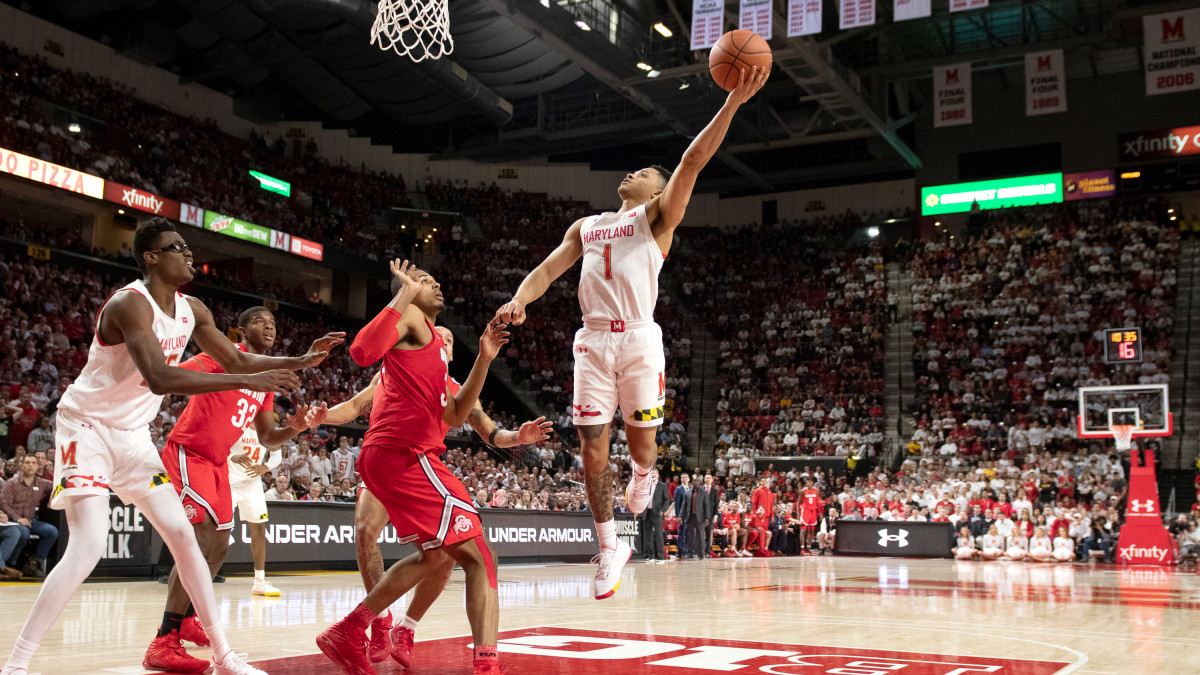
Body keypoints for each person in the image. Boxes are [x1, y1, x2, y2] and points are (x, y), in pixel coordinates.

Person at [495, 66, 770, 598]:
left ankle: (645, 475)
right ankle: (608, 546)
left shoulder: (659, 218)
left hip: (640, 341)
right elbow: (549, 270)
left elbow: (692, 160)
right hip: (592, 342)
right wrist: (519, 300)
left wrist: (733, 101)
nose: (632, 173)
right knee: (591, 452)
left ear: (660, 189)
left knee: (643, 449)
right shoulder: (588, 225)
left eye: (644, 170)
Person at [3, 217, 310, 675]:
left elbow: (238, 358)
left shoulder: (194, 309)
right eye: (176, 247)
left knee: (186, 538)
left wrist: (302, 359)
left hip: (133, 436)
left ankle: (224, 656)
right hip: (86, 428)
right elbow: (160, 377)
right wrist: (251, 377)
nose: (188, 254)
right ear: (151, 256)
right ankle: (16, 665)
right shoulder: (131, 303)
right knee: (87, 547)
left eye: (188, 247)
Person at [316, 260, 508, 675]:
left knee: (439, 556)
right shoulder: (410, 318)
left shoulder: (437, 354)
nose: (436, 285)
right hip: (404, 454)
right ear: (405, 290)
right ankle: (486, 666)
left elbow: (458, 416)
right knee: (481, 557)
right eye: (424, 281)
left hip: (399, 456)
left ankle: (352, 629)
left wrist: (486, 358)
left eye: (436, 280)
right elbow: (362, 352)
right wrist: (403, 293)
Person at [318, 324, 551, 666]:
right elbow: (354, 407)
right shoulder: (393, 371)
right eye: (435, 333)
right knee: (368, 531)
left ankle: (402, 626)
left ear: (451, 353)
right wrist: (324, 417)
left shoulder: (457, 389)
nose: (440, 338)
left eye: (449, 339)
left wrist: (518, 437)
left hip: (417, 466)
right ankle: (379, 623)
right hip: (395, 460)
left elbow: (490, 432)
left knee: (440, 556)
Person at [148, 305, 333, 673]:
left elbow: (268, 437)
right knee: (199, 542)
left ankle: (185, 618)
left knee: (218, 547)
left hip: (218, 463)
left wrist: (295, 427)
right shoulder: (217, 358)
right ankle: (163, 640)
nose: (269, 326)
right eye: (259, 322)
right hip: (189, 452)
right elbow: (170, 378)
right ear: (240, 331)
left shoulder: (264, 383)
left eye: (273, 323)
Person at [0, 456, 57, 577]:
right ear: (22, 466)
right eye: (27, 463)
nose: (30, 465)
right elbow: (4, 504)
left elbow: (58, 484)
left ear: (37, 467)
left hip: (31, 521)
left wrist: (54, 492)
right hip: (12, 521)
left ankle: (34, 562)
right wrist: (18, 519)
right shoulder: (12, 484)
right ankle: (12, 562)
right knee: (23, 532)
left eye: (33, 463)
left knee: (51, 531)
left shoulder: (41, 483)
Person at [638, 470, 668, 562]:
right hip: (646, 512)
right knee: (648, 535)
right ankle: (651, 555)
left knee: (659, 534)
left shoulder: (662, 485)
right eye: (651, 473)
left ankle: (660, 556)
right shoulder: (645, 485)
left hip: (657, 513)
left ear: (658, 475)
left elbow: (666, 500)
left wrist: (663, 510)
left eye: (654, 473)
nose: (653, 475)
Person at [672, 473, 694, 559]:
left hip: (690, 515)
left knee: (689, 533)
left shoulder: (691, 489)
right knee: (682, 533)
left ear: (689, 479)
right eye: (682, 477)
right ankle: (681, 551)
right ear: (681, 479)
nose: (684, 478)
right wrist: (678, 516)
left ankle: (688, 551)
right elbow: (677, 504)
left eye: (686, 477)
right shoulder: (678, 489)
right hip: (682, 515)